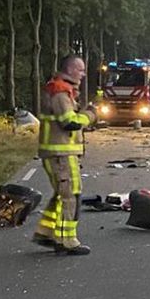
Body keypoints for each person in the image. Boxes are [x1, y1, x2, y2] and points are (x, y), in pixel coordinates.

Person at [32, 54, 98, 255]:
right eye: (81, 70)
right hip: (60, 153)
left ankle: (47, 233)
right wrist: (91, 115)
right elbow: (69, 122)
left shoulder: (62, 91)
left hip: (59, 152)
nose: (84, 74)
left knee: (62, 194)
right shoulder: (60, 92)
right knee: (71, 196)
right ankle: (66, 240)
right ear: (70, 70)